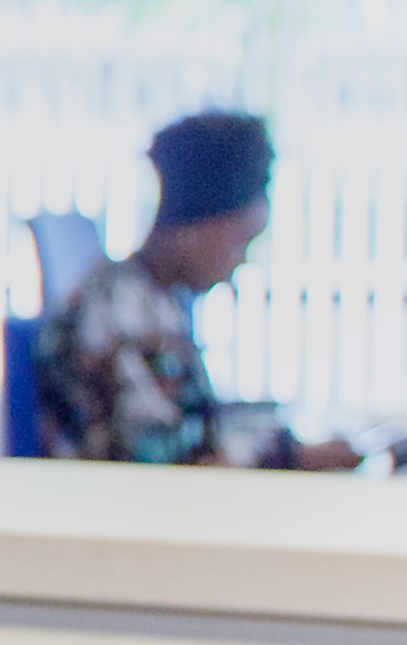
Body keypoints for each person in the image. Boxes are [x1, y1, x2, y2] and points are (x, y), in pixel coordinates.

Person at [43, 108, 356, 469]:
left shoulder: (153, 297)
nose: (240, 261)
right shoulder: (129, 317)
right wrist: (294, 456)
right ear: (193, 232)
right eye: (241, 241)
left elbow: (188, 430)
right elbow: (170, 467)